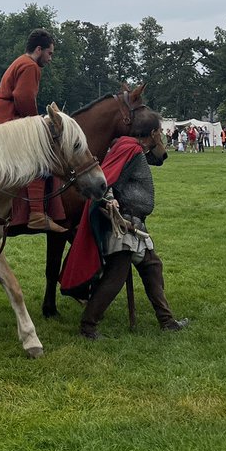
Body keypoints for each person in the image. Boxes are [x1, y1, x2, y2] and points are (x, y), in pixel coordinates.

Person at [61, 117, 188, 338]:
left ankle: (167, 321)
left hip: (136, 223)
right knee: (115, 276)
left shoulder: (132, 149)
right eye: (159, 131)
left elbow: (158, 159)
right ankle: (88, 326)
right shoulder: (130, 150)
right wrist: (109, 198)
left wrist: (157, 144)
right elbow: (107, 179)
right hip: (124, 223)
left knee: (152, 267)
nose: (161, 135)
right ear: (152, 132)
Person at [0, 28, 63, 232]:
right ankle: (36, 214)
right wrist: (36, 123)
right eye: (49, 53)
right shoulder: (30, 66)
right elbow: (23, 98)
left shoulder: (20, 61)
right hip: (4, 120)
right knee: (40, 160)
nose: (50, 59)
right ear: (38, 49)